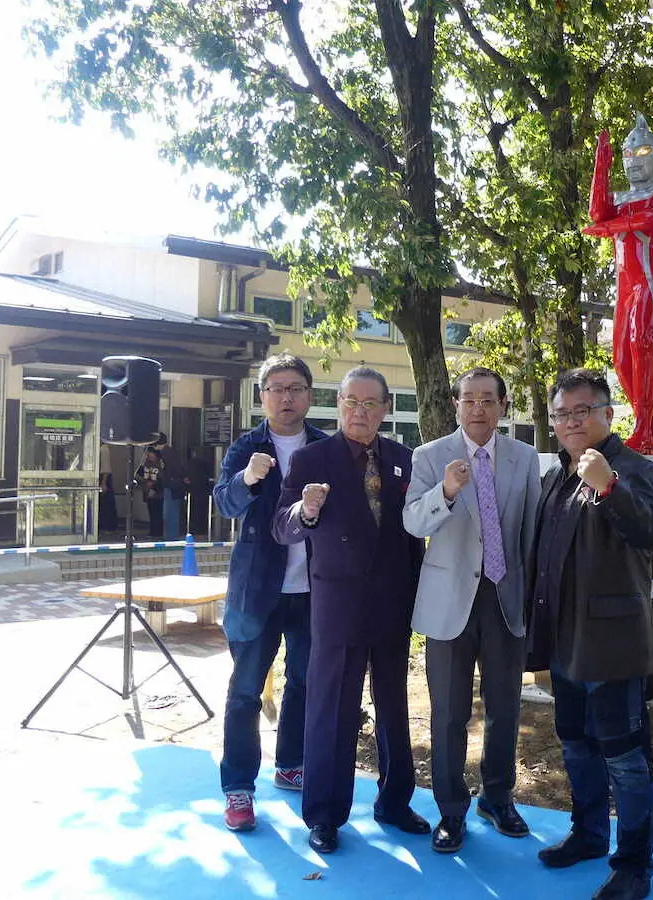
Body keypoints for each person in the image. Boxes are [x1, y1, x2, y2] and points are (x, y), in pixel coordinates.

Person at [273, 366, 427, 855]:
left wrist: (416, 594)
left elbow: (413, 536)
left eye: (370, 403)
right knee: (331, 710)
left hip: (392, 603)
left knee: (394, 707)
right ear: (338, 404)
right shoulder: (311, 459)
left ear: (385, 408)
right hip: (337, 605)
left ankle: (395, 802)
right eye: (351, 402)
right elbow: (282, 526)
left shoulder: (403, 459)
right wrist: (306, 511)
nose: (360, 412)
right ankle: (324, 814)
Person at [527, 368, 653, 900]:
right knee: (576, 744)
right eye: (561, 414)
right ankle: (588, 834)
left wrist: (608, 485)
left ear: (607, 414)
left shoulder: (632, 468)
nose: (570, 422)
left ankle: (634, 865)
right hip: (564, 641)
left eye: (581, 411)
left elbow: (650, 530)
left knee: (625, 758)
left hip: (611, 644)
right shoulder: (556, 476)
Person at [403, 367, 541, 853]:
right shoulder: (429, 456)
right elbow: (411, 521)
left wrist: (530, 597)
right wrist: (445, 492)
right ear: (456, 405)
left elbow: (530, 531)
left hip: (505, 598)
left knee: (505, 707)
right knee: (448, 713)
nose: (478, 408)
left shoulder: (525, 458)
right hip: (449, 602)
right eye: (469, 399)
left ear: (503, 405)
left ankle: (497, 798)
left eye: (487, 400)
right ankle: (450, 810)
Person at [212, 353, 328, 832]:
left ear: (309, 395)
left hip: (313, 590)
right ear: (262, 396)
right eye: (277, 388)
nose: (287, 397)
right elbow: (224, 504)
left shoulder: (325, 446)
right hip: (257, 590)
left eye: (295, 388)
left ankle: (291, 763)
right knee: (245, 691)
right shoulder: (246, 447)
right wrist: (248, 478)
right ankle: (239, 786)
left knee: (304, 683)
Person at [583, 114, 653, 456]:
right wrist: (602, 164)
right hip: (625, 285)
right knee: (620, 357)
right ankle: (651, 429)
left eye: (641, 153)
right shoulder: (620, 198)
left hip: (649, 279)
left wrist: (608, 229)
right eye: (627, 155)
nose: (633, 162)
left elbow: (651, 220)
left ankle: (643, 427)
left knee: (641, 341)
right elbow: (597, 213)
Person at [152, 432, 187, 540]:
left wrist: (182, 476)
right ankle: (171, 536)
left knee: (170, 513)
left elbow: (176, 468)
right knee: (170, 512)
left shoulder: (167, 453)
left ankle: (171, 537)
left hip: (171, 486)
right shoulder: (169, 452)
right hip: (172, 485)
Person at [136, 448, 164, 538]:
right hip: (148, 491)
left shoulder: (160, 463)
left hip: (158, 492)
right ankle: (153, 531)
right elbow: (138, 474)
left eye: (151, 454)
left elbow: (162, 478)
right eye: (148, 454)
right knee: (151, 512)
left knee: (158, 512)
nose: (149, 456)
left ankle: (158, 532)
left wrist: (154, 488)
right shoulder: (146, 464)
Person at [98, 444, 118, 534]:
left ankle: (109, 526)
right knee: (103, 504)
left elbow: (106, 468)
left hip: (104, 478)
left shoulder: (103, 448)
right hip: (102, 477)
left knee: (106, 503)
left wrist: (104, 482)